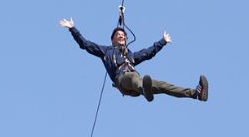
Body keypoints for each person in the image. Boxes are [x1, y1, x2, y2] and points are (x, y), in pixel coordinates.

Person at [60, 17, 208, 102]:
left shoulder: (131, 56)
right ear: (112, 39)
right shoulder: (106, 51)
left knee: (163, 85)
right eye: (118, 34)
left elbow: (147, 53)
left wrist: (162, 41)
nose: (122, 36)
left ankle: (195, 94)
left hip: (137, 85)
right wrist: (72, 29)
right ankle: (144, 89)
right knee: (133, 77)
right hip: (123, 82)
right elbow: (85, 44)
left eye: (123, 35)